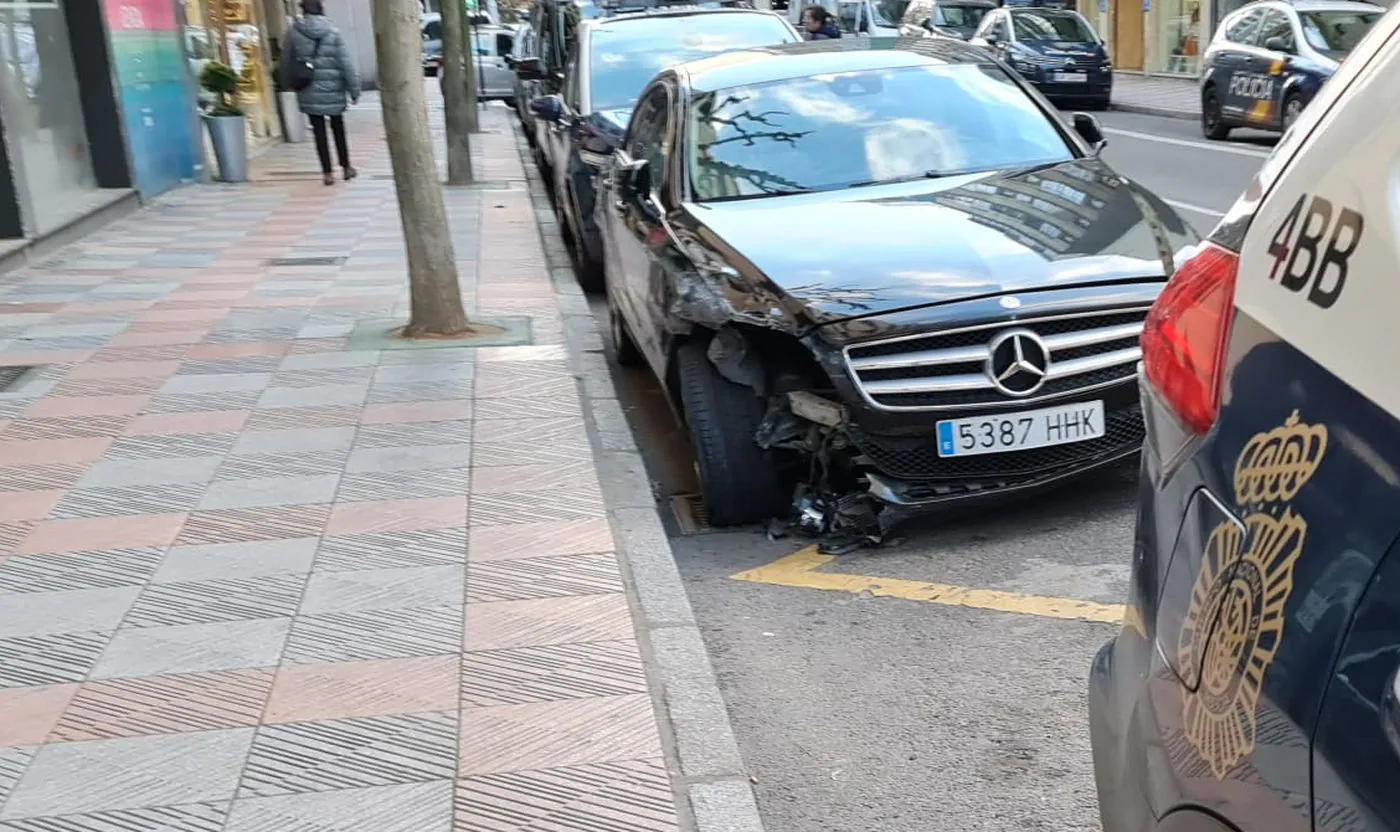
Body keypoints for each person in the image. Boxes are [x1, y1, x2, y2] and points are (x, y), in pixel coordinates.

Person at [279, 0, 360, 185]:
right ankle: (346, 167)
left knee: (319, 131)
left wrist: (286, 85)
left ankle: (327, 173)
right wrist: (354, 89)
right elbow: (345, 63)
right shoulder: (333, 32)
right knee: (338, 128)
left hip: (308, 88)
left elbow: (285, 61)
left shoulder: (293, 32)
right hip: (335, 90)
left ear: (303, 10)